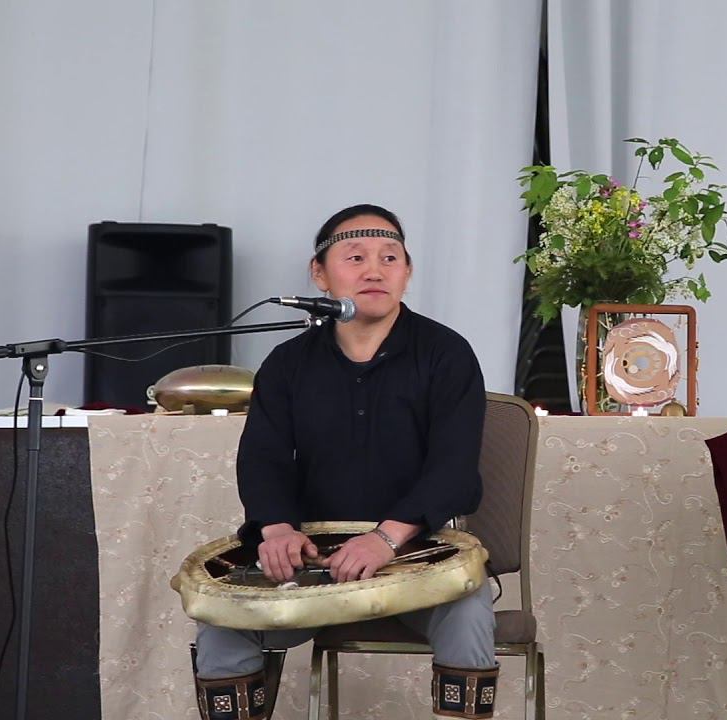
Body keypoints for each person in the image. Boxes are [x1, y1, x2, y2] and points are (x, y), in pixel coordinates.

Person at [191, 204, 498, 720]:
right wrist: (277, 529)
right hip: (313, 557)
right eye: (355, 257)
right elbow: (263, 458)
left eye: (389, 258)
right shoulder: (288, 362)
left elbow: (455, 468)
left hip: (416, 552)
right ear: (320, 274)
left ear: (407, 272)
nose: (375, 270)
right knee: (222, 618)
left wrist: (385, 539)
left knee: (467, 611)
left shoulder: (446, 354)